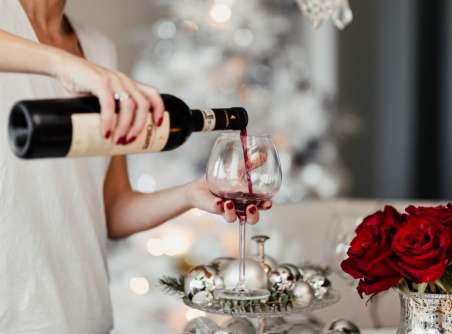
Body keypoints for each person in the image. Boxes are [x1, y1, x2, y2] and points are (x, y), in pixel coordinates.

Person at [0, 0, 271, 333]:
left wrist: (191, 193)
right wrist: (63, 64)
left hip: (82, 318)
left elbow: (112, 208)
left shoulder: (98, 49)